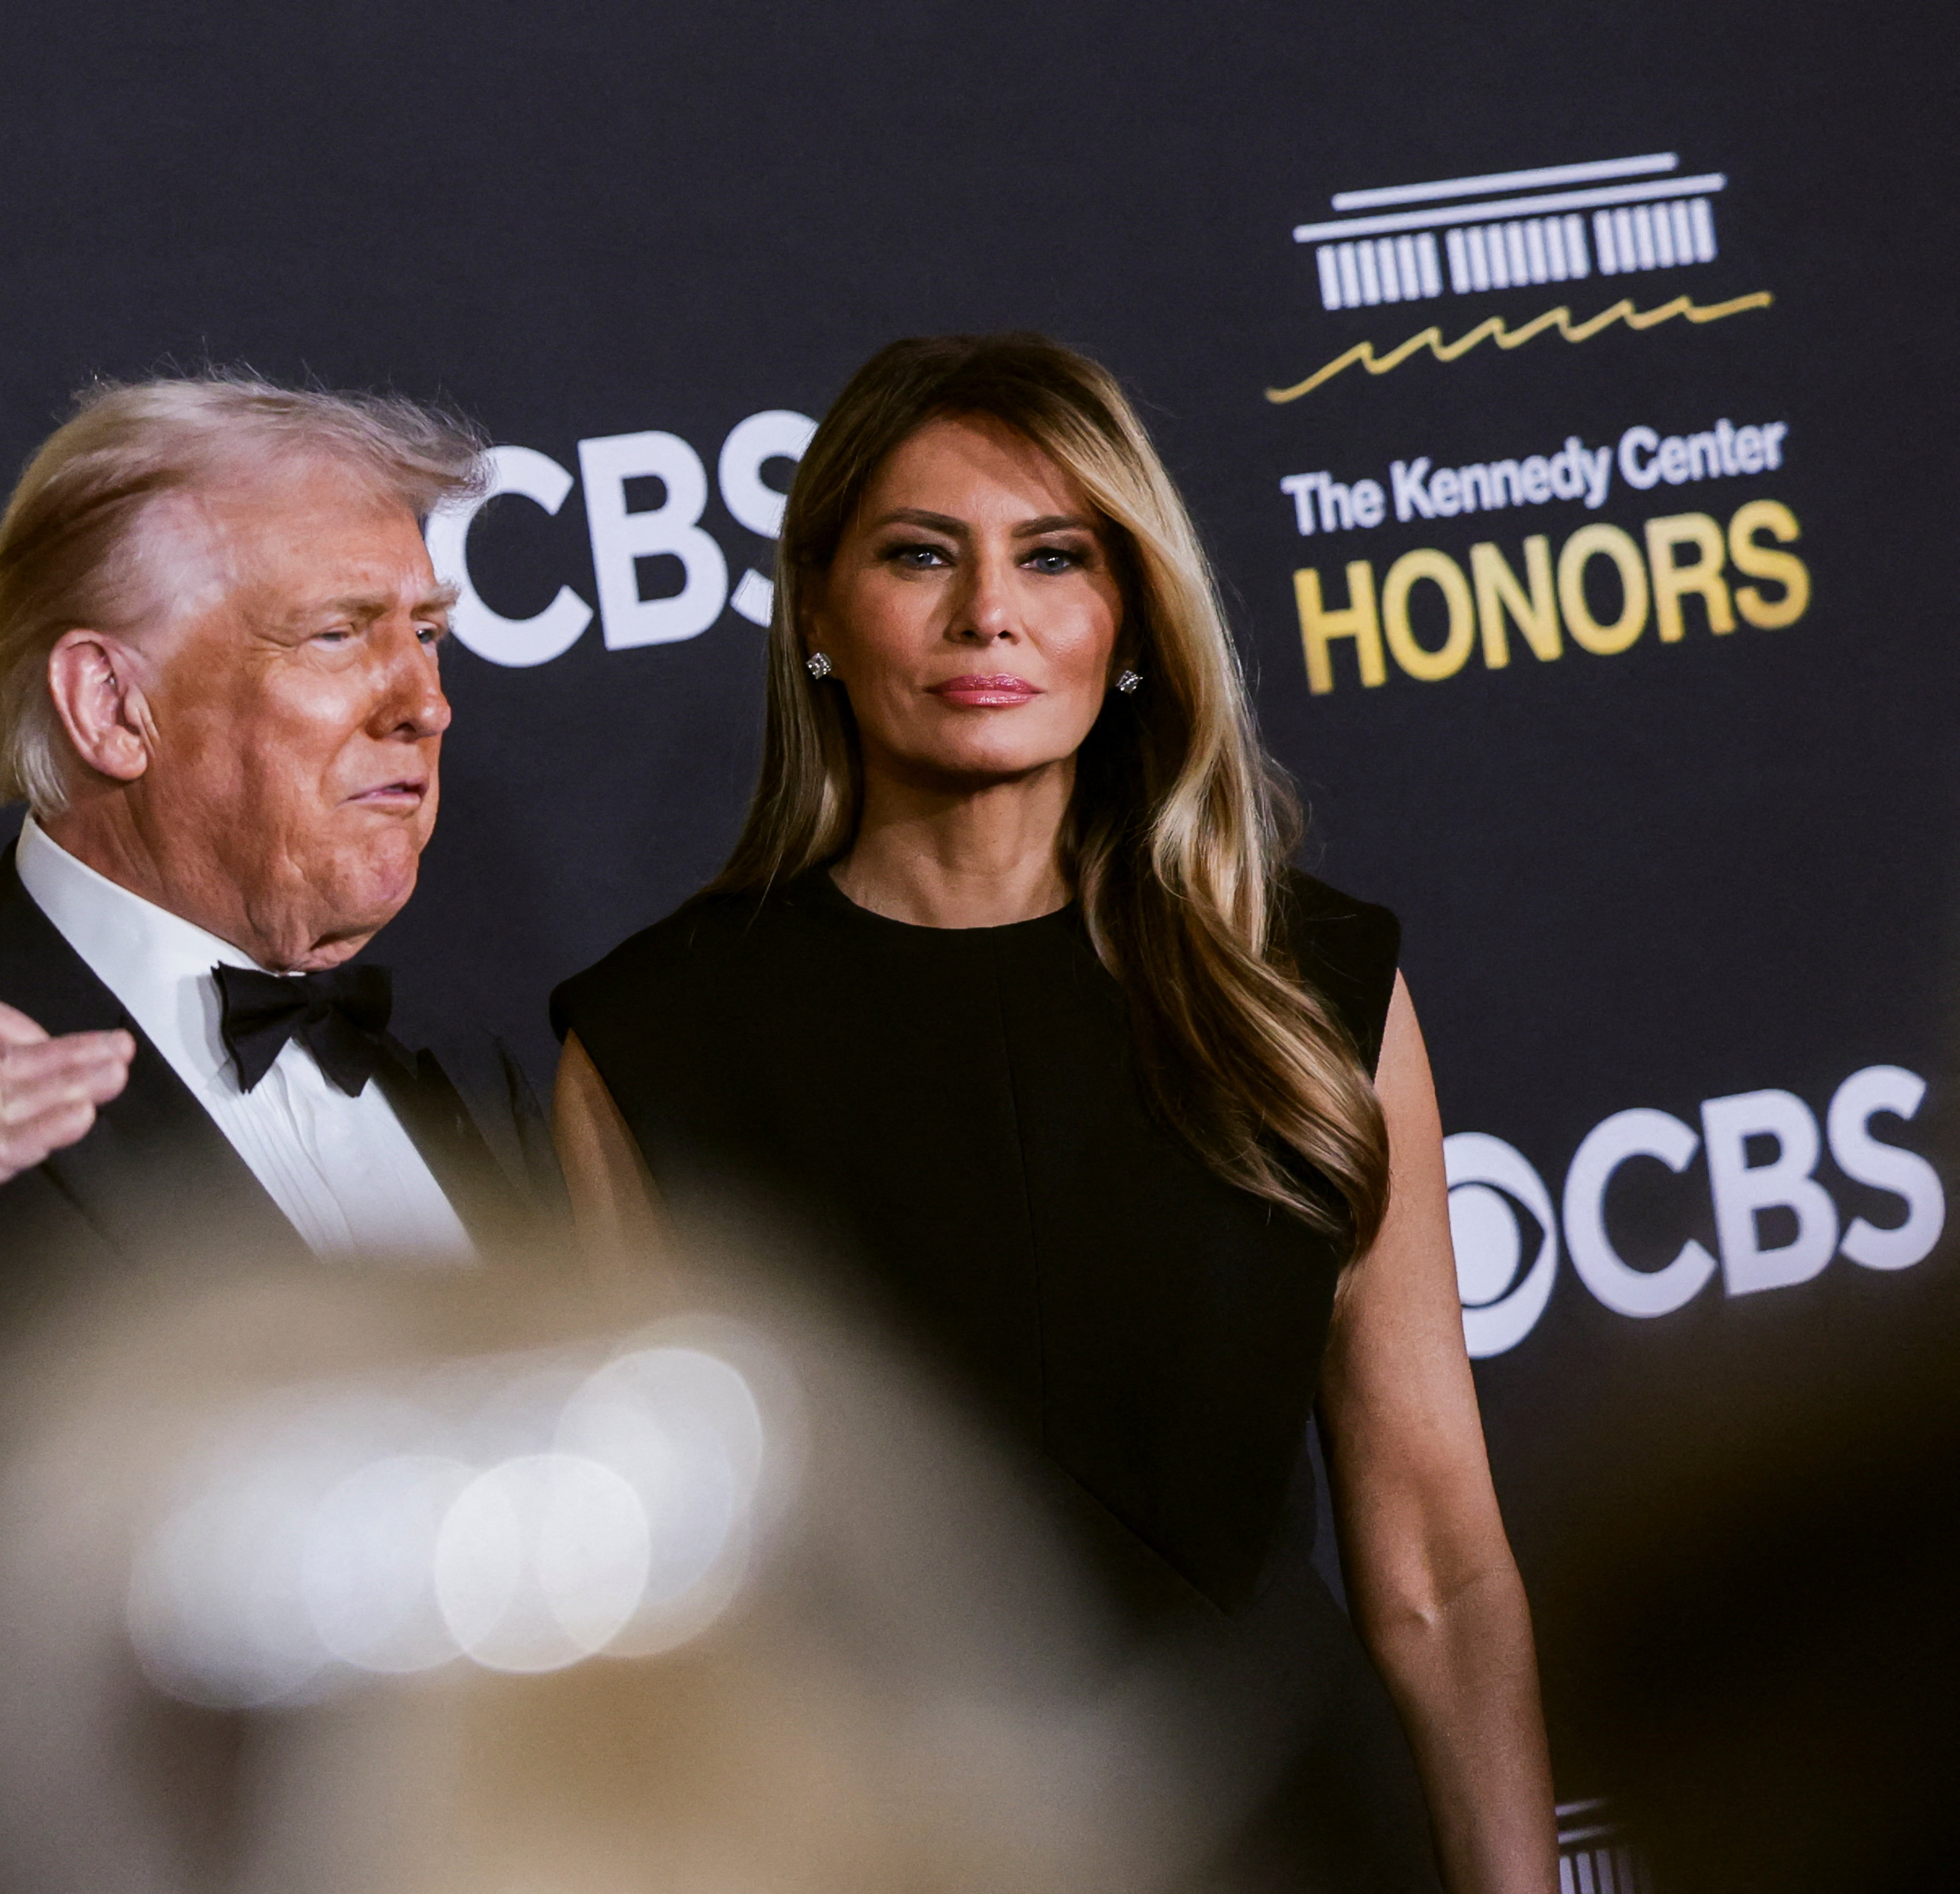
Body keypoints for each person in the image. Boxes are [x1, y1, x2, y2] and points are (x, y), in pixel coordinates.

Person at [551, 335, 1556, 1893]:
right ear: (816, 611)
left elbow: (1434, 1556)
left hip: (1294, 1835)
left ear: (1128, 617)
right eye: (917, 555)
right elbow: (672, 1630)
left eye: (1053, 556)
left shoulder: (1303, 985)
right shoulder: (655, 1039)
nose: (988, 614)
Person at [0, 374, 553, 1658]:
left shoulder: (459, 1074)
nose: (423, 698)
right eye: (337, 633)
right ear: (110, 707)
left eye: (425, 631)